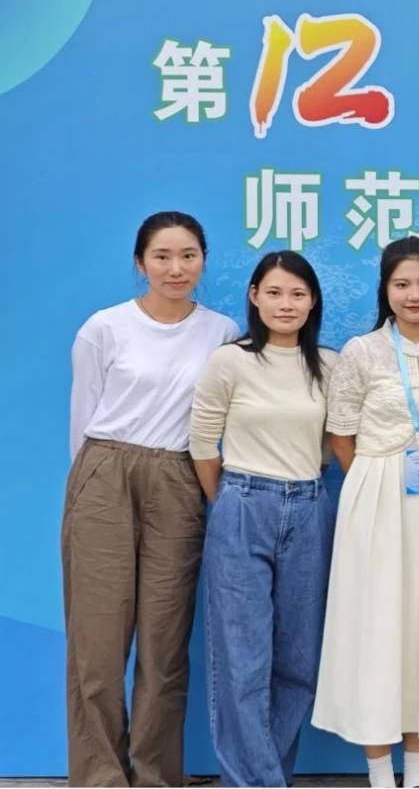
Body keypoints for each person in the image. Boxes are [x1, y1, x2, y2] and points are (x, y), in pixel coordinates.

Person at [63, 211, 238, 786]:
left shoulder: (221, 332)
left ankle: (156, 774)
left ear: (203, 261)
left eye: (188, 255)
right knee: (97, 642)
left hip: (177, 477)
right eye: (162, 256)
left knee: (165, 641)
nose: (176, 268)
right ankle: (100, 776)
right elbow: (83, 417)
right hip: (105, 472)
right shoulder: (104, 328)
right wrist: (92, 482)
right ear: (140, 263)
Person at [312, 238, 419, 789]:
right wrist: (375, 479)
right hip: (377, 497)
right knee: (377, 625)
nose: (415, 295)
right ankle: (381, 772)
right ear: (385, 289)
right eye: (402, 284)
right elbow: (341, 435)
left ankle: (418, 773)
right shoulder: (362, 350)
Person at [190, 250, 337, 787]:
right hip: (242, 503)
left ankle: (262, 775)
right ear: (254, 296)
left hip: (309, 507)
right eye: (274, 292)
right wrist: (232, 500)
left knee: (298, 661)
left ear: (313, 301)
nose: (285, 304)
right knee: (243, 661)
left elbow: (330, 445)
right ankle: (257, 782)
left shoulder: (329, 365)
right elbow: (203, 444)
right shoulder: (230, 361)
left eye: (297, 294)